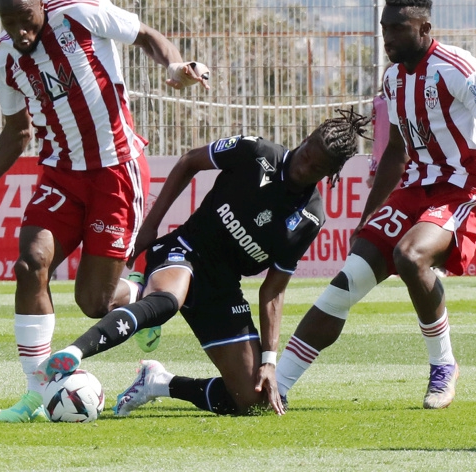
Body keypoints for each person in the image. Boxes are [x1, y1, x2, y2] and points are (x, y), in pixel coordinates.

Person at [0, 0, 210, 423]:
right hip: (61, 175)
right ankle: (36, 395)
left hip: (116, 172)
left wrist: (174, 67)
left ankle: (141, 298)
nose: (20, 32)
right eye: (9, 23)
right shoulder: (4, 59)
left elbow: (146, 35)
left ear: (41, 8)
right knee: (30, 265)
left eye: (26, 20)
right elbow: (18, 132)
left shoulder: (80, 14)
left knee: (94, 303)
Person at [38, 109, 371, 416]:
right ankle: (74, 353)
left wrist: (269, 362)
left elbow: (273, 290)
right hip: (186, 248)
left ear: (331, 173)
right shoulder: (255, 152)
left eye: (315, 167)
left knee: (253, 401)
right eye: (307, 153)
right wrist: (151, 226)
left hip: (222, 287)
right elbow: (188, 162)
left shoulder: (310, 218)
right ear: (307, 138)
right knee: (167, 300)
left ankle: (157, 381)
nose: (303, 166)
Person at [274, 0, 476, 409]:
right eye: (384, 28)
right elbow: (396, 152)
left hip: (464, 185)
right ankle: (276, 386)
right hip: (416, 187)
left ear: (424, 28)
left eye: (398, 28)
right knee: (344, 284)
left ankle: (443, 366)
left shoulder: (458, 69)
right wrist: (367, 218)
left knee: (409, 256)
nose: (388, 37)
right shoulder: (392, 79)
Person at [366, 92, 390, 187]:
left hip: (404, 160)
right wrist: (372, 172)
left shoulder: (408, 96)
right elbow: (376, 134)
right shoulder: (378, 101)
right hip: (382, 157)